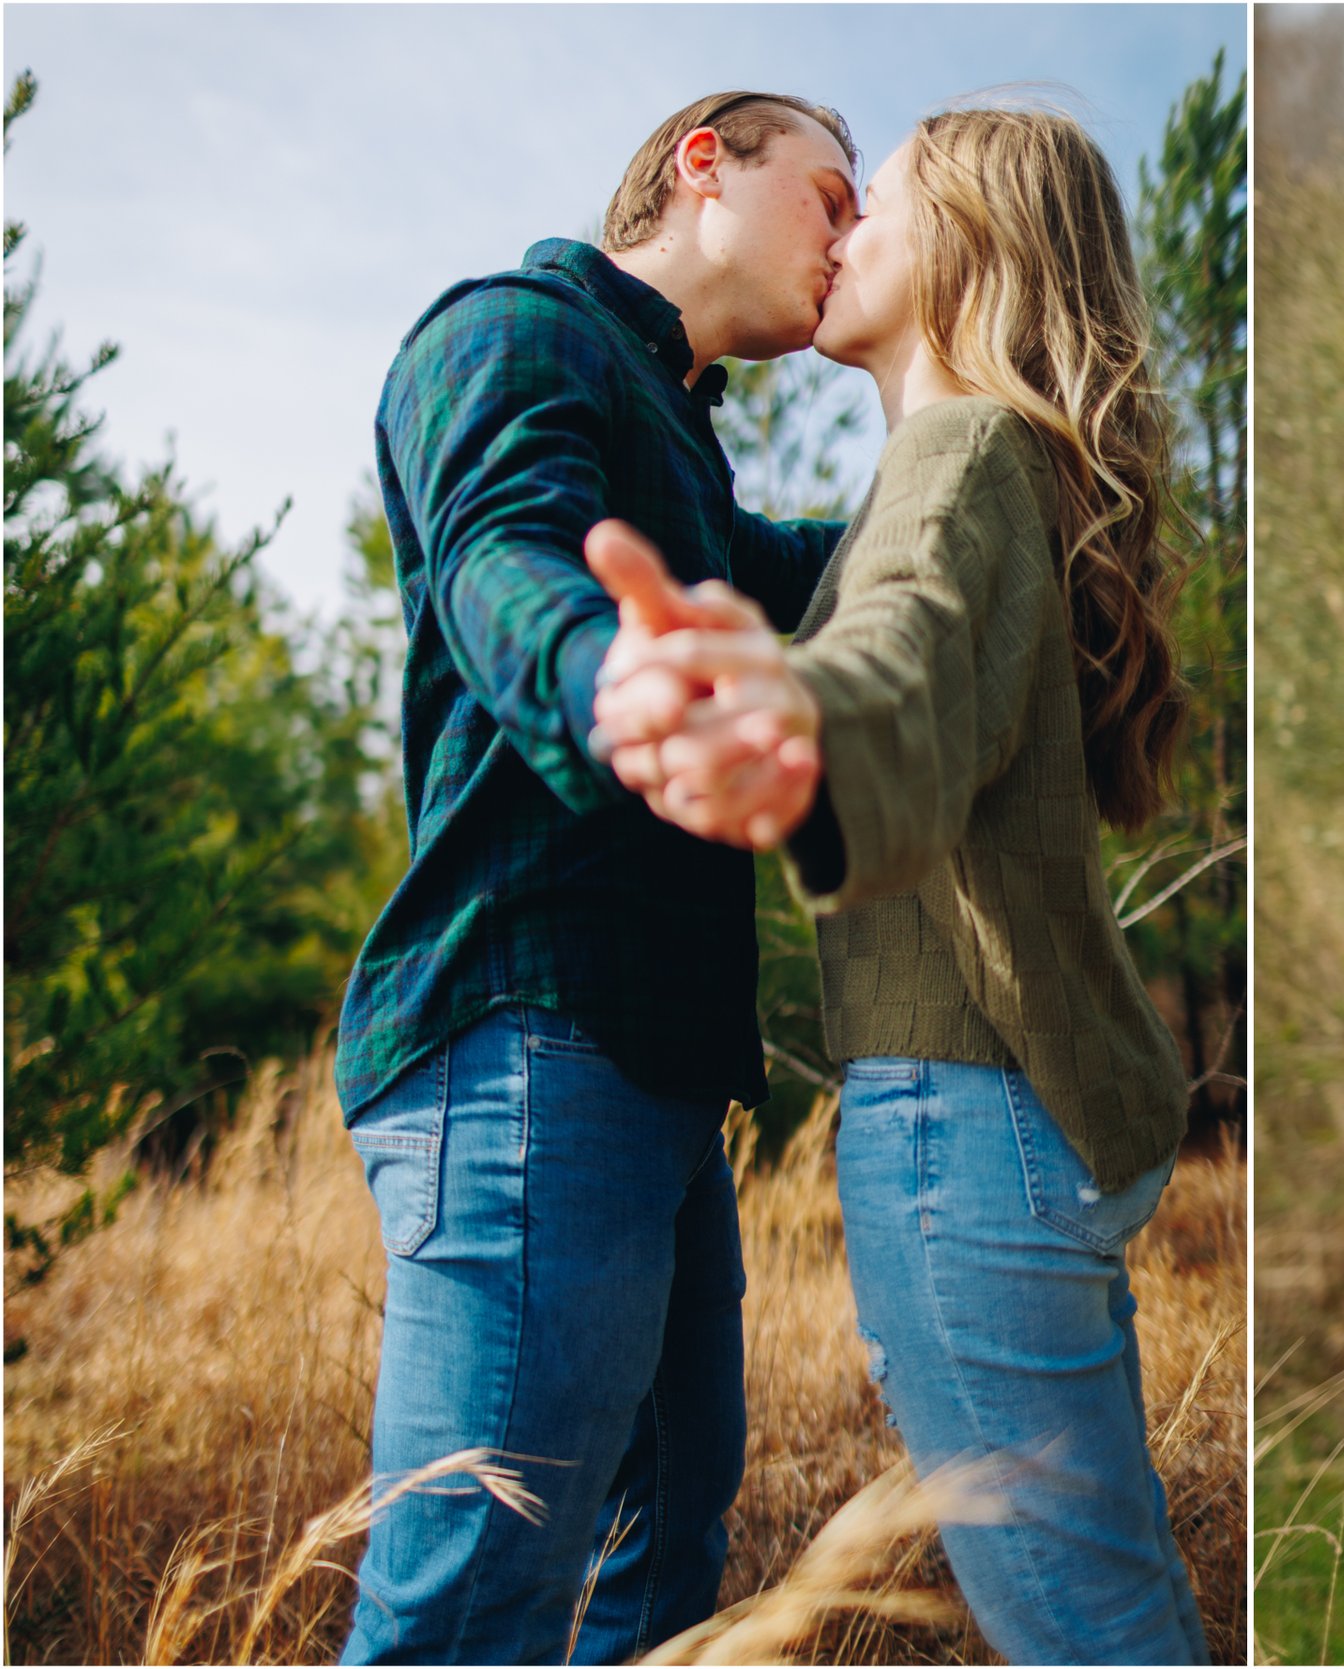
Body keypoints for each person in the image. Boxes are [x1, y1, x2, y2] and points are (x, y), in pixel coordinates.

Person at [583, 105, 1209, 1665]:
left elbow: (900, 658)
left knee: (1075, 1619)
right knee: (1109, 1580)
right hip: (1021, 1109)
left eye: (880, 205)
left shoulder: (958, 454)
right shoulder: (989, 468)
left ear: (972, 250)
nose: (842, 230)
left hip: (964, 1117)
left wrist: (795, 719)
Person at [333, 92, 860, 1665]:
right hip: (523, 1047)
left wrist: (1006, 470)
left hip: (644, 1086)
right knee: (466, 1609)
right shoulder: (514, 330)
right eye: (831, 195)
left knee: (668, 1538)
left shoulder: (680, 441)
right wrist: (607, 676)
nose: (850, 239)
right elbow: (508, 552)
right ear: (708, 160)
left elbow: (832, 566)